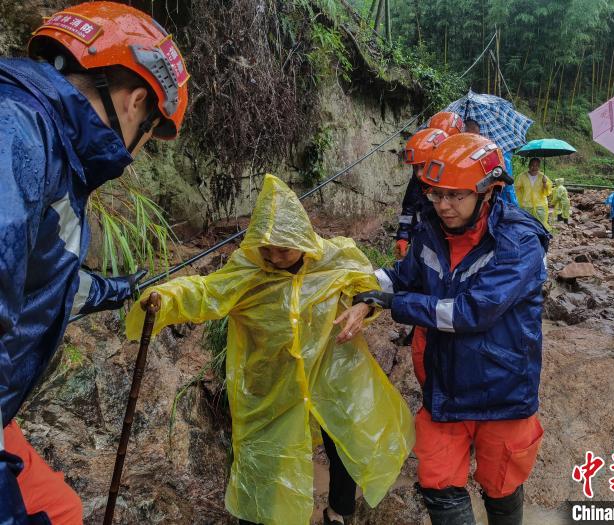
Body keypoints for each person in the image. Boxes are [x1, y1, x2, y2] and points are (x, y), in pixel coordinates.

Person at [126, 175, 414, 525]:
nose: (275, 258)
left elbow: (366, 284)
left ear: (302, 241)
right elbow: (205, 292)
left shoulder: (334, 257)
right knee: (267, 455)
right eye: (267, 248)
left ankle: (339, 510)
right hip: (272, 380)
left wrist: (364, 306)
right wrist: (167, 296)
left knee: (345, 436)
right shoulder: (248, 269)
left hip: (330, 367)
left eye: (284, 250)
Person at [0, 2, 190, 522]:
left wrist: (116, 289)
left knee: (62, 507)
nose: (139, 150)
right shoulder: (18, 130)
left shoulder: (46, 145)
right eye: (149, 133)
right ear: (136, 102)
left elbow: (39, 278)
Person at [356, 134, 549, 525]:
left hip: (502, 392)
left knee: (501, 484)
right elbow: (404, 275)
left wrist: (396, 303)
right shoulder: (431, 229)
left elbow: (471, 312)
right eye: (436, 194)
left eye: (455, 195)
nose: (443, 205)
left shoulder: (519, 242)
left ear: (488, 190)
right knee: (438, 481)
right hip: (445, 386)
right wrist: (360, 286)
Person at [395, 128, 449, 259]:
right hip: (422, 237)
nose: (419, 174)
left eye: (423, 166)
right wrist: (403, 237)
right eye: (415, 167)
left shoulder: (453, 188)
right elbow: (408, 209)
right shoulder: (417, 182)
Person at [514, 157, 552, 230]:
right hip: (526, 205)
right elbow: (516, 189)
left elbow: (548, 192)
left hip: (540, 206)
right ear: (528, 166)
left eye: (537, 165)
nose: (534, 167)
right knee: (527, 225)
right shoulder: (522, 176)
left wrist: (545, 183)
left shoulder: (543, 177)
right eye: (532, 165)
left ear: (539, 166)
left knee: (541, 225)